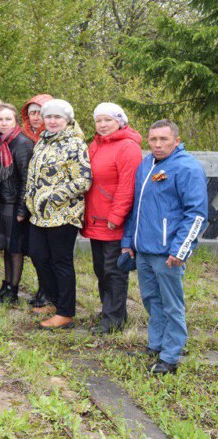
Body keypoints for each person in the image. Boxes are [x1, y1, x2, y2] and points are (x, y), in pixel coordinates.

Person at [122, 120, 208, 374]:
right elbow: (136, 209)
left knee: (172, 303)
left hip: (168, 253)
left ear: (177, 141)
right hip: (144, 249)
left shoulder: (187, 168)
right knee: (151, 299)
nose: (157, 145)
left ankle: (171, 355)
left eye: (164, 140)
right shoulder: (146, 165)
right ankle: (156, 344)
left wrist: (180, 250)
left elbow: (196, 214)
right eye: (153, 139)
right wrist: (129, 243)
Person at [25, 99, 91, 329]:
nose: (52, 121)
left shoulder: (75, 144)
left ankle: (66, 312)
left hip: (64, 214)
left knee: (60, 261)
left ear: (67, 120)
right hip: (39, 215)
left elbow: (83, 180)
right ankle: (52, 300)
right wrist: (30, 198)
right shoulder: (42, 142)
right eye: (49, 117)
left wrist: (53, 196)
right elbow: (33, 175)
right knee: (37, 255)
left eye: (57, 117)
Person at [81, 103, 142, 334]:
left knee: (114, 271)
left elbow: (128, 186)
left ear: (120, 121)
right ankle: (109, 310)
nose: (103, 125)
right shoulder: (95, 144)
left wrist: (116, 216)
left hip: (113, 221)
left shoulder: (128, 147)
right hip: (95, 218)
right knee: (101, 269)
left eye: (108, 120)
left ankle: (114, 320)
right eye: (99, 121)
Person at [0, 101, 34, 304]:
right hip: (2, 202)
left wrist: (22, 209)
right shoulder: (1, 143)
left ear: (15, 120)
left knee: (16, 249)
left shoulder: (22, 143)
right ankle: (6, 284)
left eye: (8, 119)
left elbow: (27, 178)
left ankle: (13, 290)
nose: (3, 123)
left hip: (15, 205)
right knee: (6, 249)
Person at [20, 93, 54, 307]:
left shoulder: (52, 137)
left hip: (49, 202)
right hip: (29, 200)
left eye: (39, 113)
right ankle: (43, 288)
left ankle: (48, 291)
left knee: (48, 253)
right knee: (35, 252)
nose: (35, 117)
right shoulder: (24, 135)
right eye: (31, 112)